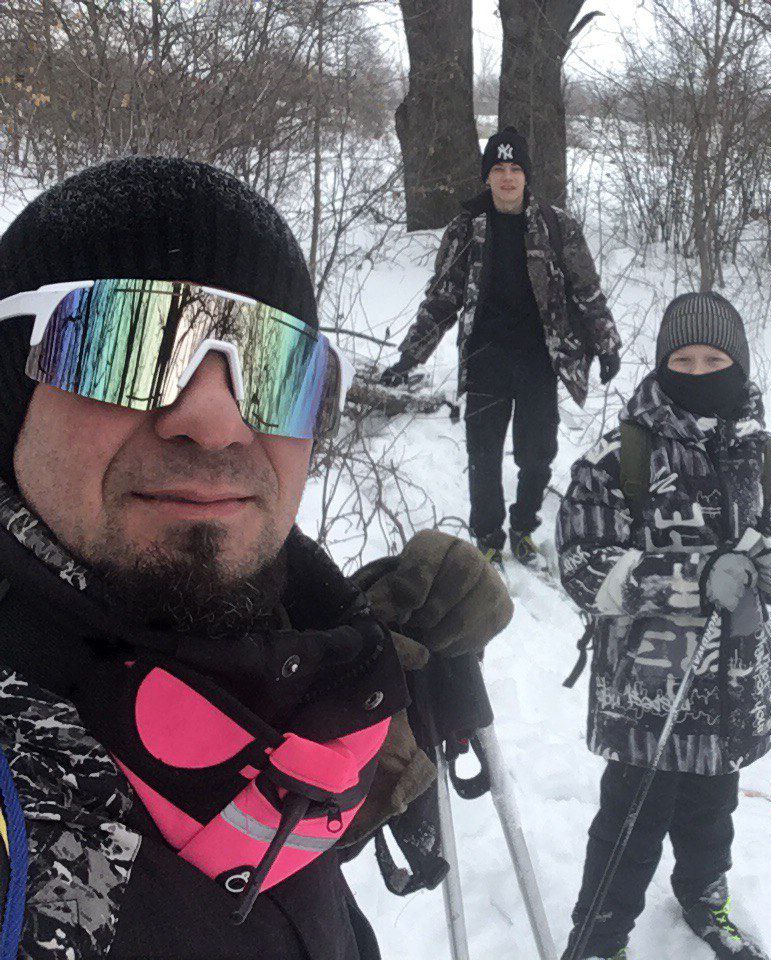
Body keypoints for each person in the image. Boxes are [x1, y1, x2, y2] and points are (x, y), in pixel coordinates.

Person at [0, 157, 510, 959]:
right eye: (123, 344)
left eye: (273, 368)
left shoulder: (281, 642)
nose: (215, 420)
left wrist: (342, 724)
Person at [556, 293, 771, 960]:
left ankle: (704, 897)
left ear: (739, 363)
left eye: (715, 358)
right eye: (684, 359)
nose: (699, 372)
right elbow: (584, 566)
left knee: (711, 808)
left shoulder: (762, 454)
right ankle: (598, 936)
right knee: (631, 820)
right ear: (663, 363)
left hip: (733, 678)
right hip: (650, 688)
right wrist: (691, 579)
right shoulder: (620, 455)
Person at [381, 127, 622, 568]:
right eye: (498, 169)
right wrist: (409, 356)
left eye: (515, 169)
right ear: (487, 176)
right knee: (484, 455)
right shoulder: (465, 229)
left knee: (537, 455)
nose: (507, 177)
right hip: (485, 358)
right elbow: (443, 297)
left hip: (537, 362)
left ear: (526, 176)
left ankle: (524, 526)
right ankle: (488, 536)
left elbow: (586, 288)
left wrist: (606, 343)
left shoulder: (556, 225)